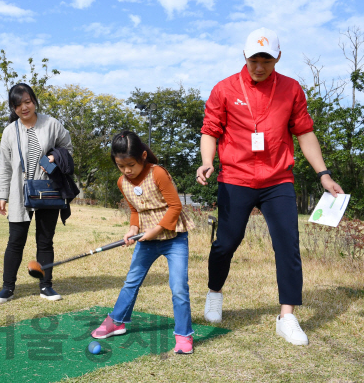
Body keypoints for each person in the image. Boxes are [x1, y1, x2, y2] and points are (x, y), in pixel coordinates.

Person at [196, 27, 344, 346]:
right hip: (236, 177)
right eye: (253, 59)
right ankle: (214, 292)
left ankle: (287, 316)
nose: (259, 66)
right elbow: (210, 130)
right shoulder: (224, 89)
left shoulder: (291, 89)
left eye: (266, 59)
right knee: (227, 242)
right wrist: (207, 160)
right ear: (245, 57)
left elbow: (304, 133)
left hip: (278, 178)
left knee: (288, 244)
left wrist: (324, 174)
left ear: (277, 57)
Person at [91, 131, 196, 354]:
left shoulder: (157, 173)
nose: (127, 170)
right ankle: (117, 321)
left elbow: (175, 207)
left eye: (131, 164)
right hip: (146, 240)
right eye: (121, 166)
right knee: (132, 281)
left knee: (178, 287)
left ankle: (184, 336)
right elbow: (134, 210)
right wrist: (132, 230)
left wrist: (155, 230)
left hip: (173, 239)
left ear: (144, 156)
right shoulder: (122, 182)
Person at [0, 83, 73, 303]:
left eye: (27, 102)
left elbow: (68, 149)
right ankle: (8, 288)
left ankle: (46, 286)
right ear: (13, 108)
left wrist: (54, 157)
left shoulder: (52, 124)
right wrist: (2, 195)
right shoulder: (10, 131)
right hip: (20, 193)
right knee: (15, 241)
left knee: (45, 241)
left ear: (34, 101)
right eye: (18, 104)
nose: (24, 107)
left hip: (49, 190)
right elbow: (5, 166)